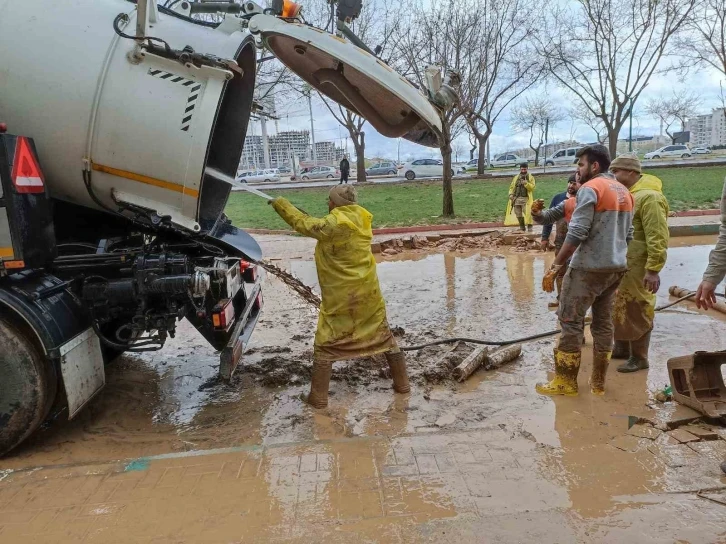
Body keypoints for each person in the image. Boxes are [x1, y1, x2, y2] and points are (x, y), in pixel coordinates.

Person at [269, 185, 409, 408]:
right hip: (368, 291)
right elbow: (317, 224)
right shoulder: (362, 217)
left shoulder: (334, 224)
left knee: (326, 343)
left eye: (330, 200)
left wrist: (281, 205)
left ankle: (318, 398)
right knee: (383, 336)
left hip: (342, 296)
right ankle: (403, 386)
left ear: (337, 203)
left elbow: (303, 224)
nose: (328, 203)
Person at [531, 145, 633, 396]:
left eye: (580, 164)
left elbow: (577, 233)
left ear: (594, 166)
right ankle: (598, 383)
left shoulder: (591, 189)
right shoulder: (624, 191)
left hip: (587, 268)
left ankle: (566, 382)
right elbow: (628, 235)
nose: (577, 170)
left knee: (569, 319)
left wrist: (556, 266)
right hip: (615, 268)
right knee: (602, 322)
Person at [609, 155, 669, 373]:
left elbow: (658, 236)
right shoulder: (626, 195)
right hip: (623, 262)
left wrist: (653, 269)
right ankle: (622, 347)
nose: (613, 176)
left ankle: (640, 357)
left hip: (640, 264)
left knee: (638, 306)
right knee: (620, 304)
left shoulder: (650, 197)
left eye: (616, 172)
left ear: (631, 173)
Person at [539, 173, 582, 307]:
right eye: (569, 183)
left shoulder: (583, 200)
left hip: (578, 244)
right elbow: (548, 220)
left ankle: (576, 302)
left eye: (574, 183)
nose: (570, 186)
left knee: (576, 273)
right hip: (560, 242)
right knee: (560, 271)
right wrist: (544, 238)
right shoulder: (558, 198)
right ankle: (561, 299)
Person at [505, 163, 536, 232]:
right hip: (516, 199)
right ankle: (522, 227)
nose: (523, 170)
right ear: (520, 169)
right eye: (522, 169)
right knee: (518, 213)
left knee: (528, 213)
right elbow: (512, 187)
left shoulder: (530, 177)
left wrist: (526, 184)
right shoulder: (516, 177)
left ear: (527, 169)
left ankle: (530, 226)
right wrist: (510, 194)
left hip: (526, 199)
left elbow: (532, 188)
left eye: (525, 169)